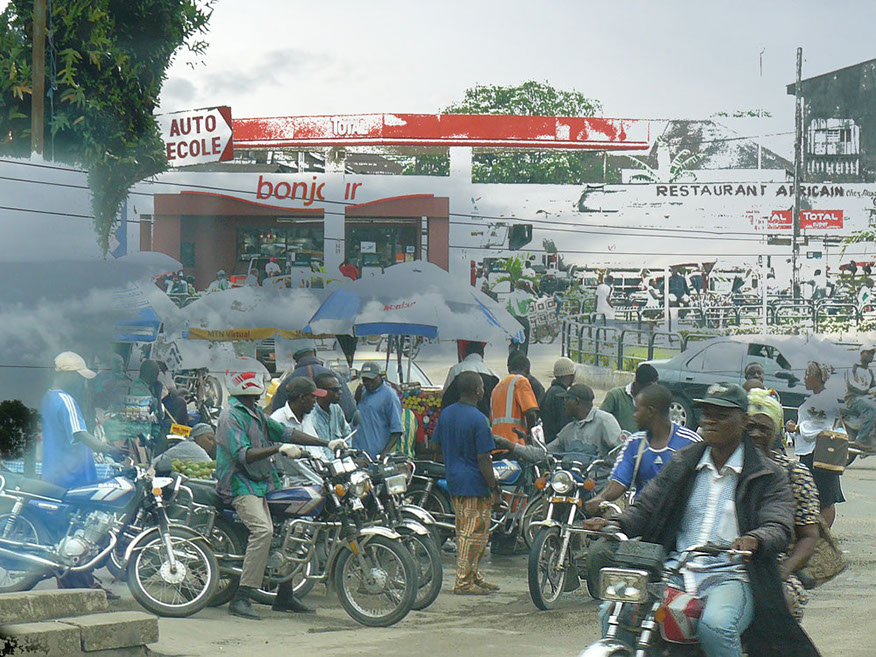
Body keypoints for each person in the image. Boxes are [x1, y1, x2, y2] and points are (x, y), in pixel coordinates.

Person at [584, 383, 820, 657]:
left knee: (715, 626)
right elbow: (647, 507)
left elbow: (778, 524)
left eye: (721, 414)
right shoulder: (683, 461)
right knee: (615, 610)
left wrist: (756, 538)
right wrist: (616, 523)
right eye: (706, 412)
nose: (709, 419)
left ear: (743, 420)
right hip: (675, 571)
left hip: (732, 574)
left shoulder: (768, 473)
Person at [215, 357, 344, 619]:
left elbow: (287, 433)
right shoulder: (231, 416)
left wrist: (326, 443)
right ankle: (241, 597)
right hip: (241, 486)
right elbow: (244, 455)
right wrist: (278, 448)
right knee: (264, 531)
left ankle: (284, 594)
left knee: (286, 528)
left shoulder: (255, 413)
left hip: (264, 482)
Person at [41, 352, 121, 594]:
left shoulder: (47, 398)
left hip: (57, 473)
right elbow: (80, 434)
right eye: (79, 376)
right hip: (73, 477)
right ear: (67, 375)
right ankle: (83, 586)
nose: (82, 381)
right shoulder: (65, 400)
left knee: (67, 535)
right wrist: (108, 449)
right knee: (84, 533)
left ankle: (77, 585)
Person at [747, 388, 819, 621]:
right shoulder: (726, 468)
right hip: (724, 562)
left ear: (777, 431)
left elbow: (808, 535)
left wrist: (784, 571)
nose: (756, 434)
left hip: (774, 566)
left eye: (764, 429)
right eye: (750, 427)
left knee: (783, 602)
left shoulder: (793, 473)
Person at [431, 372, 501, 595]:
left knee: (469, 530)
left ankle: (473, 575)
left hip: (454, 478)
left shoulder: (447, 414)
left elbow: (436, 448)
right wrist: (494, 487)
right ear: (477, 391)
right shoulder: (479, 419)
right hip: (474, 482)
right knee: (472, 534)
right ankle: (463, 582)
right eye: (481, 386)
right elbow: (484, 458)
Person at [585, 383, 700, 514]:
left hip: (676, 518)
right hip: (641, 516)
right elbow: (619, 481)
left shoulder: (691, 442)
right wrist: (601, 498)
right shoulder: (634, 443)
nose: (634, 415)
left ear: (650, 412)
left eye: (637, 410)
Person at [497, 383, 623, 464]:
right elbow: (543, 454)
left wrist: (605, 465)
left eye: (566, 399)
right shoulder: (568, 430)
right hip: (568, 484)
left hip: (596, 487)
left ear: (577, 401)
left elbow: (621, 452)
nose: (563, 403)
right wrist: (510, 445)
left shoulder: (605, 421)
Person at [787, 361, 844, 527]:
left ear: (818, 377)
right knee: (813, 494)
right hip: (809, 452)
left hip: (819, 452)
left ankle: (823, 535)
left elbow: (820, 426)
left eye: (807, 374)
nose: (804, 378)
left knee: (825, 497)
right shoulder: (816, 398)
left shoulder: (825, 398)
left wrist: (797, 428)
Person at [270, 340, 355, 420]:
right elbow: (349, 411)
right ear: (314, 353)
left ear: (295, 357)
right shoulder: (335, 377)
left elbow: (276, 417)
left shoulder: (288, 382)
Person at [270, 377, 329, 460]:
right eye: (313, 397)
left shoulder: (309, 416)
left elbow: (318, 450)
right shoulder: (277, 420)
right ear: (302, 398)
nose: (315, 401)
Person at [353, 362, 403, 459]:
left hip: (375, 455)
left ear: (380, 377)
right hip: (358, 453)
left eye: (371, 379)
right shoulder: (362, 392)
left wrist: (383, 453)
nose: (368, 382)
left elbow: (397, 430)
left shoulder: (390, 396)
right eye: (365, 379)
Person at [490, 354, 539, 446]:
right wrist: (529, 436)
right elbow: (531, 412)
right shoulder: (521, 381)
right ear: (527, 370)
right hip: (515, 442)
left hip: (497, 443)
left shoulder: (497, 387)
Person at [441, 341, 500, 418]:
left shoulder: (456, 370)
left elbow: (446, 396)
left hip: (458, 418)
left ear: (466, 353)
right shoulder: (494, 375)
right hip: (485, 419)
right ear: (482, 354)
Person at [600, 363, 659, 434]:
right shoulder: (615, 396)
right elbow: (601, 419)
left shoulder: (653, 400)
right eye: (647, 387)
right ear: (636, 381)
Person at [845, 343, 876, 448]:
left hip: (866, 399)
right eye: (869, 352)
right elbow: (851, 384)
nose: (871, 355)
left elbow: (873, 385)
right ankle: (861, 439)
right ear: (862, 353)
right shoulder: (853, 367)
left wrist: (872, 391)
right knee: (873, 409)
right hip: (853, 399)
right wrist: (866, 391)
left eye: (873, 353)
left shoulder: (870, 371)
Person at [539, 357, 577, 442]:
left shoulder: (550, 391)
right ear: (570, 375)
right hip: (556, 442)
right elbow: (564, 424)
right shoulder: (561, 395)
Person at [309, 372, 353, 445]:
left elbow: (347, 433)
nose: (340, 392)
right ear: (320, 392)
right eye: (335, 390)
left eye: (340, 388)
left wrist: (346, 450)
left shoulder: (336, 409)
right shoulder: (311, 415)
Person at [506, 280, 534, 355]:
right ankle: (522, 358)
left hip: (514, 321)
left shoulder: (510, 296)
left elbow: (505, 308)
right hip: (524, 321)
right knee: (524, 343)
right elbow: (536, 299)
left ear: (515, 286)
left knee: (514, 342)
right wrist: (531, 290)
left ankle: (512, 358)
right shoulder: (527, 296)